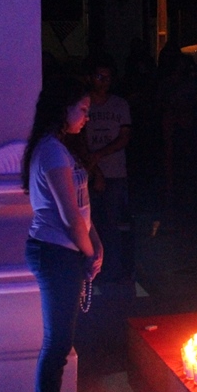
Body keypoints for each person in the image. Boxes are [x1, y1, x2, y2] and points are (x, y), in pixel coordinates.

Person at [23, 76, 102, 392]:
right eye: (82, 109)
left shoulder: (59, 148)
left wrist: (95, 243)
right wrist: (89, 253)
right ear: (63, 108)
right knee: (57, 345)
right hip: (56, 253)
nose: (86, 117)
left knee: (59, 343)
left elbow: (81, 208)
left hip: (64, 251)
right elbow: (70, 216)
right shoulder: (52, 151)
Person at [80, 55, 132, 282]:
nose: (104, 82)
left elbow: (124, 137)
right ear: (90, 78)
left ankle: (112, 271)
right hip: (87, 172)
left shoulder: (120, 105)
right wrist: (94, 169)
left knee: (112, 223)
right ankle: (89, 271)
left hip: (115, 171)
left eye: (108, 78)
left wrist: (98, 155)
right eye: (100, 77)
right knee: (87, 223)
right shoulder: (83, 104)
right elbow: (78, 140)